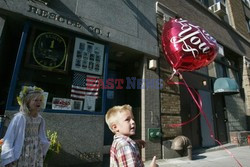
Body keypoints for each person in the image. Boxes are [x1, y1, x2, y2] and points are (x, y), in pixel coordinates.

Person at [1, 86, 50, 167]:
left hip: (35, 151)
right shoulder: (20, 117)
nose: (39, 102)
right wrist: (8, 158)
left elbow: (41, 135)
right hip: (22, 151)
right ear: (27, 102)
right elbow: (10, 137)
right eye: (35, 100)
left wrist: (44, 144)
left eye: (40, 100)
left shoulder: (40, 119)